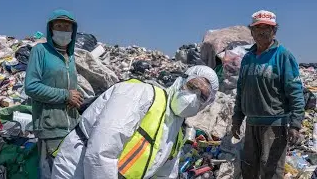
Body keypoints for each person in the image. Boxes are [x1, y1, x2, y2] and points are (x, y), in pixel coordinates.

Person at [51, 65, 219, 179]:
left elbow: (165, 175)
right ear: (181, 80)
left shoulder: (176, 134)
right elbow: (101, 152)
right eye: (193, 87)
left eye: (202, 96)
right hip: (77, 169)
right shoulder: (141, 94)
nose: (193, 98)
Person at [231, 10, 305, 179]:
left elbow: (295, 92)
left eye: (267, 28)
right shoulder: (248, 57)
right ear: (252, 31)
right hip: (251, 124)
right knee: (249, 167)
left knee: (270, 170)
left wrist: (295, 124)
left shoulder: (283, 56)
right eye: (258, 28)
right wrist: (237, 119)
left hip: (275, 125)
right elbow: (241, 90)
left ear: (274, 31)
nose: (262, 31)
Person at [25, 9, 83, 179]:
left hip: (71, 127)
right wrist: (65, 95)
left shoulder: (70, 56)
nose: (63, 30)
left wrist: (76, 98)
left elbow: (70, 87)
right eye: (59, 26)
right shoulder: (40, 51)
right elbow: (31, 86)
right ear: (51, 29)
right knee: (51, 174)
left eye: (67, 27)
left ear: (73, 31)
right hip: (50, 127)